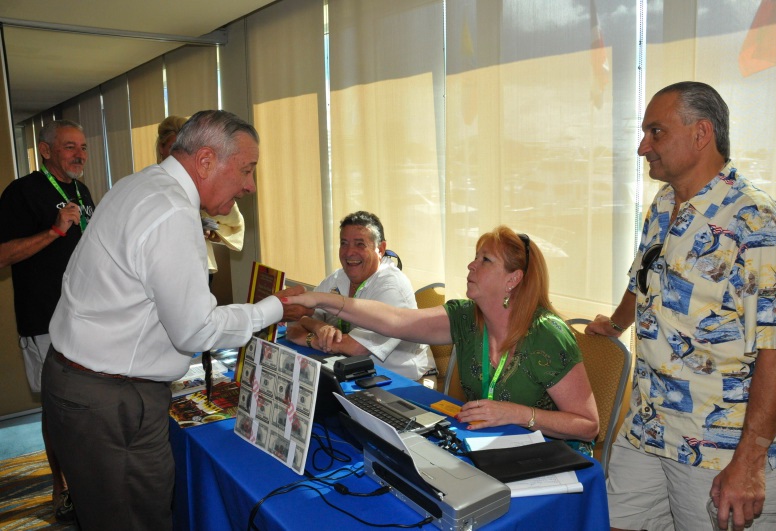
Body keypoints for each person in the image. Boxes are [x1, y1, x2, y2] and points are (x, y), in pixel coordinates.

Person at [41, 110, 311, 531]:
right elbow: (195, 329)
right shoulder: (171, 212)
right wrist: (273, 308)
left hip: (78, 381)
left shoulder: (136, 185)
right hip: (111, 400)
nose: (250, 186)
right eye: (246, 170)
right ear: (205, 160)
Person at [585, 82, 776, 531]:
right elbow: (645, 275)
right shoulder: (665, 204)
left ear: (701, 133)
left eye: (656, 132)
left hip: (722, 451)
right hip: (649, 430)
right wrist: (617, 323)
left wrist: (749, 463)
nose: (643, 147)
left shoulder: (756, 222)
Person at [286, 225, 600, 452]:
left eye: (485, 260)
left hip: (550, 457)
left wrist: (517, 414)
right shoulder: (467, 317)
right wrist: (323, 300)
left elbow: (588, 426)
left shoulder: (547, 334)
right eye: (475, 257)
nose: (471, 265)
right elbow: (395, 320)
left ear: (513, 279)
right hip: (490, 448)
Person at [0, 119, 95, 524]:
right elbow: (3, 254)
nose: (79, 154)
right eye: (70, 146)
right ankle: (61, 486)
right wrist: (55, 231)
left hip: (86, 319)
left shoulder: (82, 192)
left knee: (89, 404)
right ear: (45, 150)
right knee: (57, 409)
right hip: (44, 321)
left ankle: (90, 480)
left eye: (83, 147)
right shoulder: (22, 192)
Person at [286, 211, 435, 380]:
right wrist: (318, 326)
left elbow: (356, 347)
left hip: (402, 379)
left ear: (381, 249)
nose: (349, 252)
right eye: (344, 243)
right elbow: (299, 317)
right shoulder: (338, 277)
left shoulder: (392, 286)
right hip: (353, 370)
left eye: (360, 244)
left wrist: (309, 339)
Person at [157, 115, 245, 284]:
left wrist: (211, 231)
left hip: (199, 265)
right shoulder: (151, 184)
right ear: (161, 148)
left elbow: (234, 222)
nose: (178, 154)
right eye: (172, 147)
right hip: (167, 267)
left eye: (183, 148)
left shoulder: (204, 180)